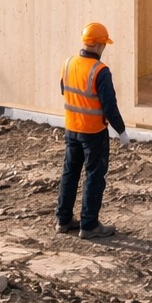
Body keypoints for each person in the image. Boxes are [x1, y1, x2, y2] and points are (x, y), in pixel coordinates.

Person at [56, 21, 131, 240]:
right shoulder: (100, 71)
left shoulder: (69, 63)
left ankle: (63, 220)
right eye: (104, 45)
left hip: (71, 129)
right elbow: (109, 105)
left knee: (70, 173)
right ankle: (89, 225)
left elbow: (65, 90)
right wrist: (122, 132)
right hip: (93, 133)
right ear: (98, 45)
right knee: (94, 176)